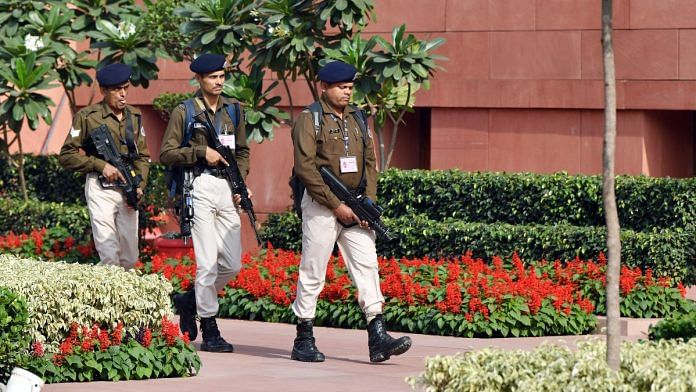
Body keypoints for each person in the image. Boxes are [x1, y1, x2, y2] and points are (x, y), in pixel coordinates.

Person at [290, 61, 412, 363]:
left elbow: (370, 162)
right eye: (340, 87)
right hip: (321, 206)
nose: (347, 91)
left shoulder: (358, 117)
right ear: (324, 87)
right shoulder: (310, 119)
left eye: (349, 87)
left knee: (367, 265)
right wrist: (337, 206)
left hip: (355, 206)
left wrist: (367, 203)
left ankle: (377, 336)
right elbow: (305, 168)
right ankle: (303, 338)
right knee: (313, 270)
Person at [159, 53, 250, 353]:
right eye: (213, 77)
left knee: (232, 263)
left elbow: (243, 152)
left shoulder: (234, 111)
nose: (219, 81)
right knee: (208, 262)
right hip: (197, 185)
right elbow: (167, 153)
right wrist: (200, 152)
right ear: (199, 79)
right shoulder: (184, 111)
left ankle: (190, 301)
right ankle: (210, 328)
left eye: (222, 76)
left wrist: (240, 183)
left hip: (226, 187)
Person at [58, 63, 150, 270]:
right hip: (101, 189)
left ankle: (122, 299)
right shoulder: (87, 117)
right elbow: (66, 155)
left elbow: (143, 157)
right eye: (117, 90)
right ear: (103, 91)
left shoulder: (134, 117)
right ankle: (109, 301)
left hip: (128, 189)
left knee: (129, 257)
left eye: (126, 88)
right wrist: (100, 165)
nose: (123, 94)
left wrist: (140, 185)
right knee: (109, 254)